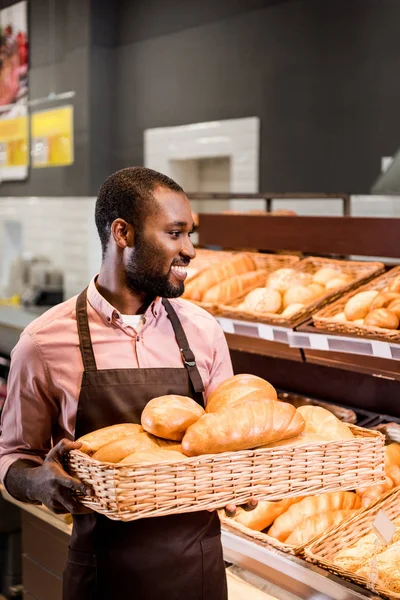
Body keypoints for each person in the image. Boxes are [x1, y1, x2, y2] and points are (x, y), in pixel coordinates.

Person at [0, 167, 255, 600]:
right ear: (123, 233)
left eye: (189, 234)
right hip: (104, 576)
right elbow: (12, 457)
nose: (190, 250)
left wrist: (241, 479)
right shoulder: (44, 343)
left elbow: (225, 440)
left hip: (199, 572)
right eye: (175, 233)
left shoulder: (203, 331)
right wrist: (37, 483)